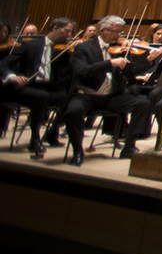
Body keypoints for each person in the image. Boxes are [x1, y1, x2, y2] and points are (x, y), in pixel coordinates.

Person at [63, 15, 153, 165]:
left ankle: (129, 147)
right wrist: (110, 63)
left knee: (142, 104)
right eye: (115, 32)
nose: (119, 35)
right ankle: (78, 151)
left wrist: (148, 60)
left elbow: (131, 72)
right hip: (87, 95)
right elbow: (81, 71)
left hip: (111, 97)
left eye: (120, 32)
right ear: (102, 31)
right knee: (73, 111)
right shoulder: (83, 48)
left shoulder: (120, 49)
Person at [1, 16, 76, 155]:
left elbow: (63, 76)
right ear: (55, 28)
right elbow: (4, 64)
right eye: (67, 31)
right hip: (28, 86)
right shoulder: (30, 45)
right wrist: (13, 77)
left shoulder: (63, 50)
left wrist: (71, 59)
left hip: (48, 87)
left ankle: (52, 132)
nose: (69, 35)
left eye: (71, 32)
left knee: (72, 100)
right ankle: (34, 139)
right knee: (42, 97)